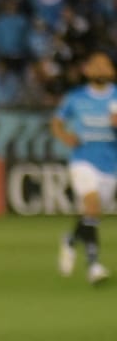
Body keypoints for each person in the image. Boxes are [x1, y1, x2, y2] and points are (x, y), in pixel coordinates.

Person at [50, 50, 116, 286]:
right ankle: (94, 266)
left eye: (105, 64)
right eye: (95, 64)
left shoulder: (116, 97)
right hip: (83, 161)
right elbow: (56, 122)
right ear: (87, 70)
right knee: (92, 203)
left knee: (92, 214)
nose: (100, 69)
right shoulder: (75, 98)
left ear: (111, 71)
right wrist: (65, 136)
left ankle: (70, 239)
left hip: (110, 165)